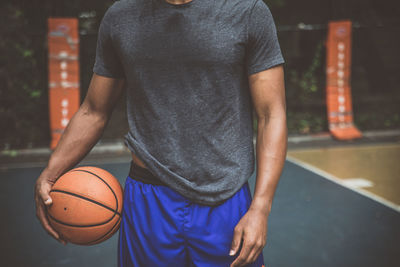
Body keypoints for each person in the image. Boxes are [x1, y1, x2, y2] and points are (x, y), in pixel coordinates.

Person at [34, 0, 287, 266]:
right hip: (148, 199)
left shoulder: (246, 11)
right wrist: (50, 174)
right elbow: (94, 110)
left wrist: (261, 207)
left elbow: (272, 114)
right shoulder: (121, 17)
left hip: (224, 198)